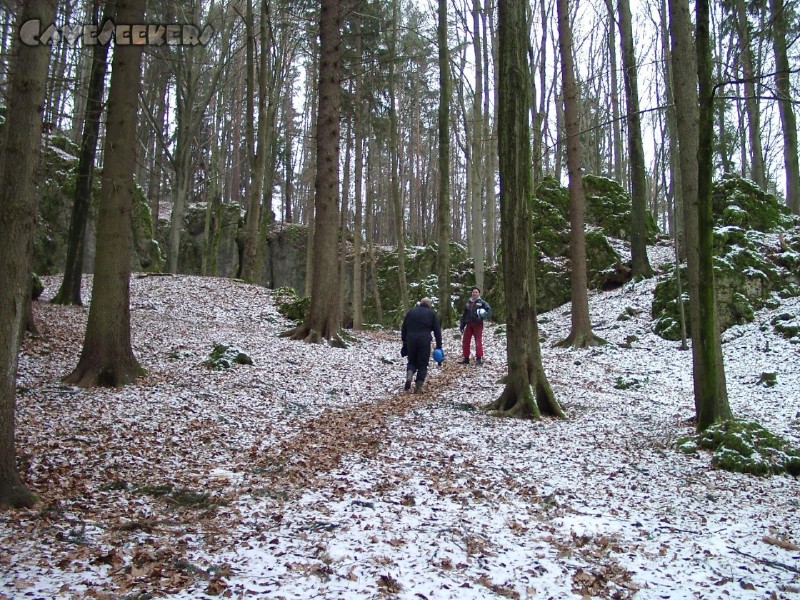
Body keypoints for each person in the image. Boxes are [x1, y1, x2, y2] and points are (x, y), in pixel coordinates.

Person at [401, 297, 443, 393]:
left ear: (420, 303)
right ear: (429, 305)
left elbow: (404, 327)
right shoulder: (431, 314)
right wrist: (439, 346)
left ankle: (410, 374)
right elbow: (437, 331)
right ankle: (418, 387)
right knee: (423, 364)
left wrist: (404, 341)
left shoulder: (411, 312)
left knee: (412, 361)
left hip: (411, 340)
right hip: (424, 340)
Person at [459, 286, 491, 365]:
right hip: (468, 324)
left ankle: (479, 358)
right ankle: (466, 358)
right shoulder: (468, 303)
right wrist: (462, 325)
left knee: (478, 341)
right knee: (465, 341)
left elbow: (489, 311)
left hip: (478, 324)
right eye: (473, 292)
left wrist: (482, 317)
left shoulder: (482, 302)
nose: (475, 293)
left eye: (476, 292)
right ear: (471, 293)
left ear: (479, 293)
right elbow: (464, 314)